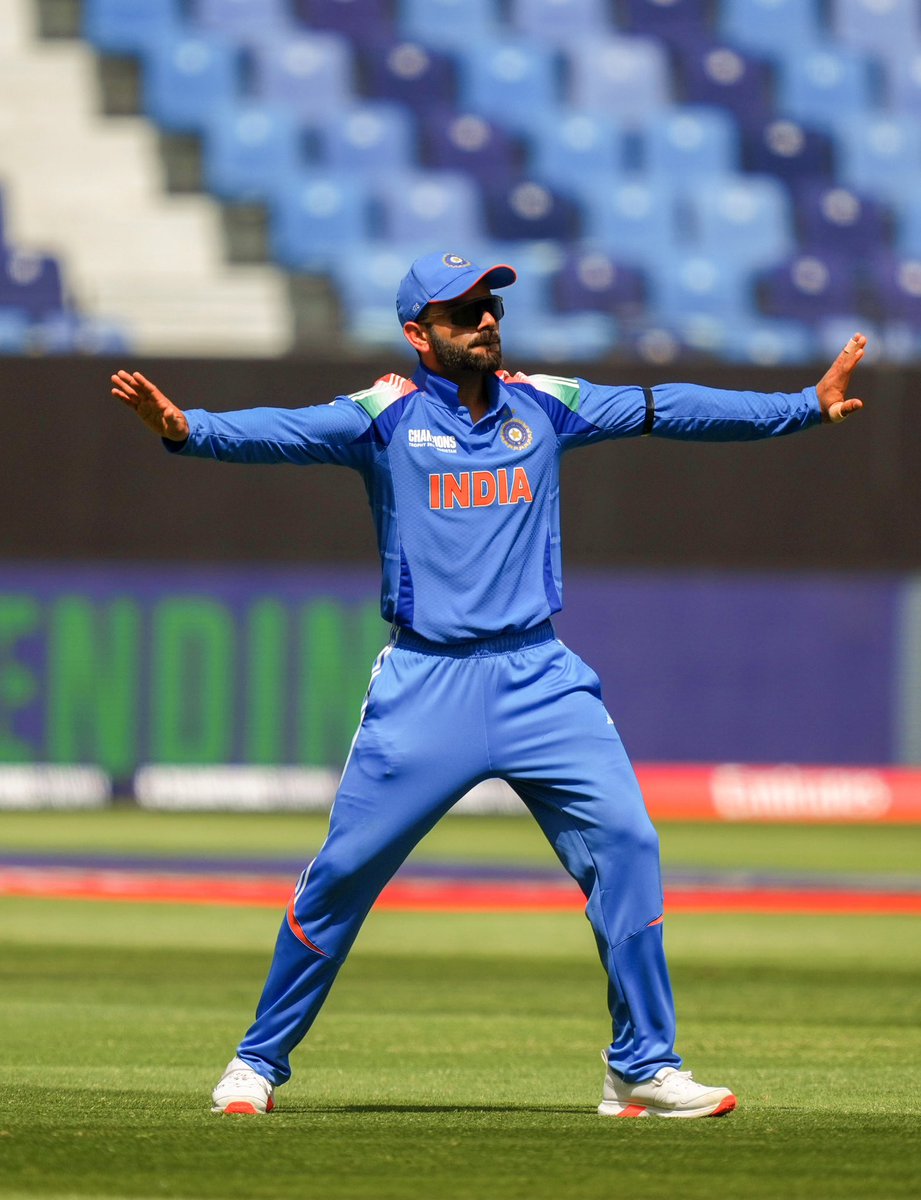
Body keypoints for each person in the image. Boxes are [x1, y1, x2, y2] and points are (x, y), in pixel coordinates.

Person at [112, 250, 866, 1120]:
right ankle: (257, 1061)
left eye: (490, 308)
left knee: (627, 844)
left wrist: (799, 408)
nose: (485, 322)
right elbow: (283, 430)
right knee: (344, 875)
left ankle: (642, 1066)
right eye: (463, 312)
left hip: (538, 677)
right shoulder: (382, 416)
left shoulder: (545, 403)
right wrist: (185, 428)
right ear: (416, 334)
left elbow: (672, 410)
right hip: (426, 682)